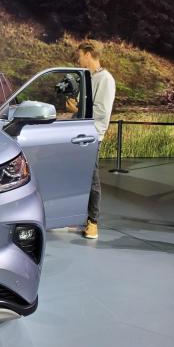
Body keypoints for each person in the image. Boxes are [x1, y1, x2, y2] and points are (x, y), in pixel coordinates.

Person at [75, 41, 116, 239]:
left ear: (89, 54)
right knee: (79, 177)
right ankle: (77, 217)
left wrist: (77, 109)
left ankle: (93, 223)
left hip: (92, 135)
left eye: (80, 54)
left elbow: (101, 112)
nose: (78, 59)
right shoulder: (88, 77)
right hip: (79, 134)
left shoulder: (105, 79)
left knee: (92, 179)